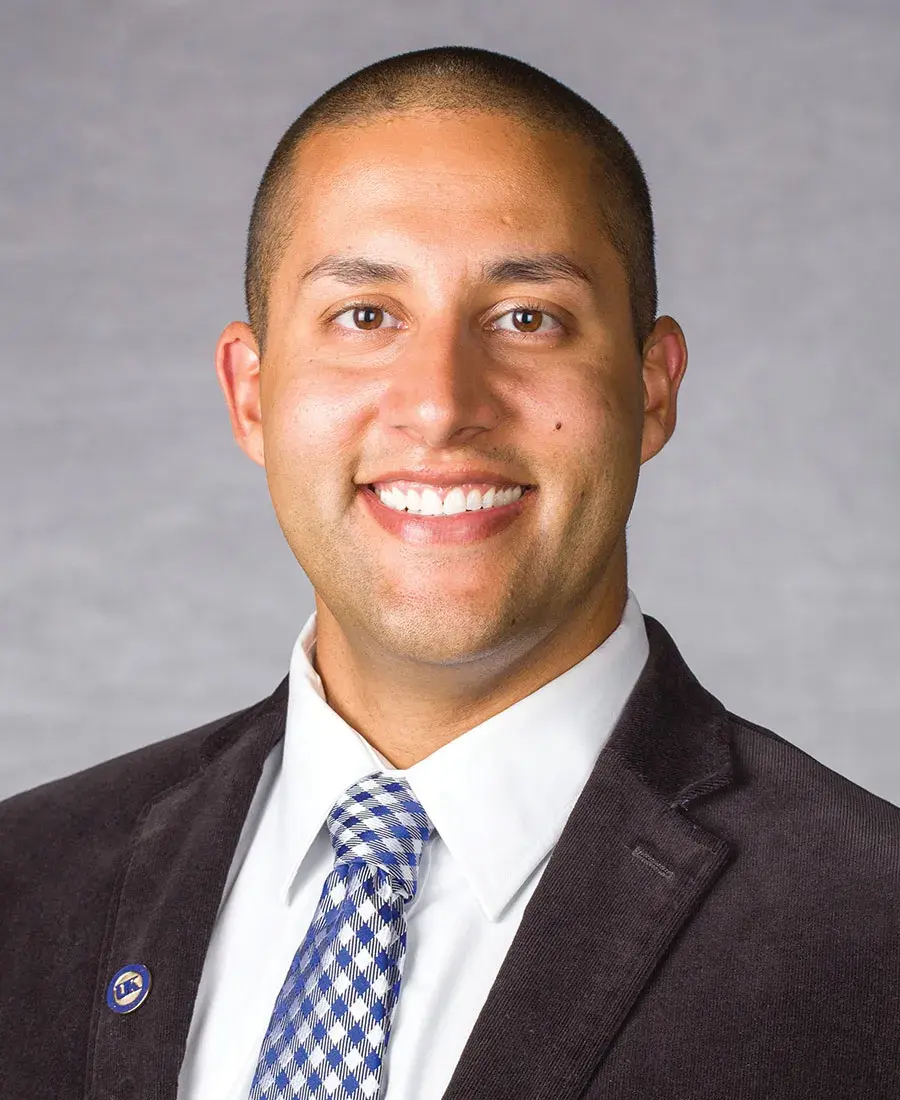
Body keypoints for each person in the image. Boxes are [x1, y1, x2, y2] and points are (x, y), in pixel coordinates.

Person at [1, 44, 897, 1100]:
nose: (440, 404)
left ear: (652, 389)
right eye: (366, 316)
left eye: (528, 318)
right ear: (251, 393)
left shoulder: (868, 935)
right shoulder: (27, 885)